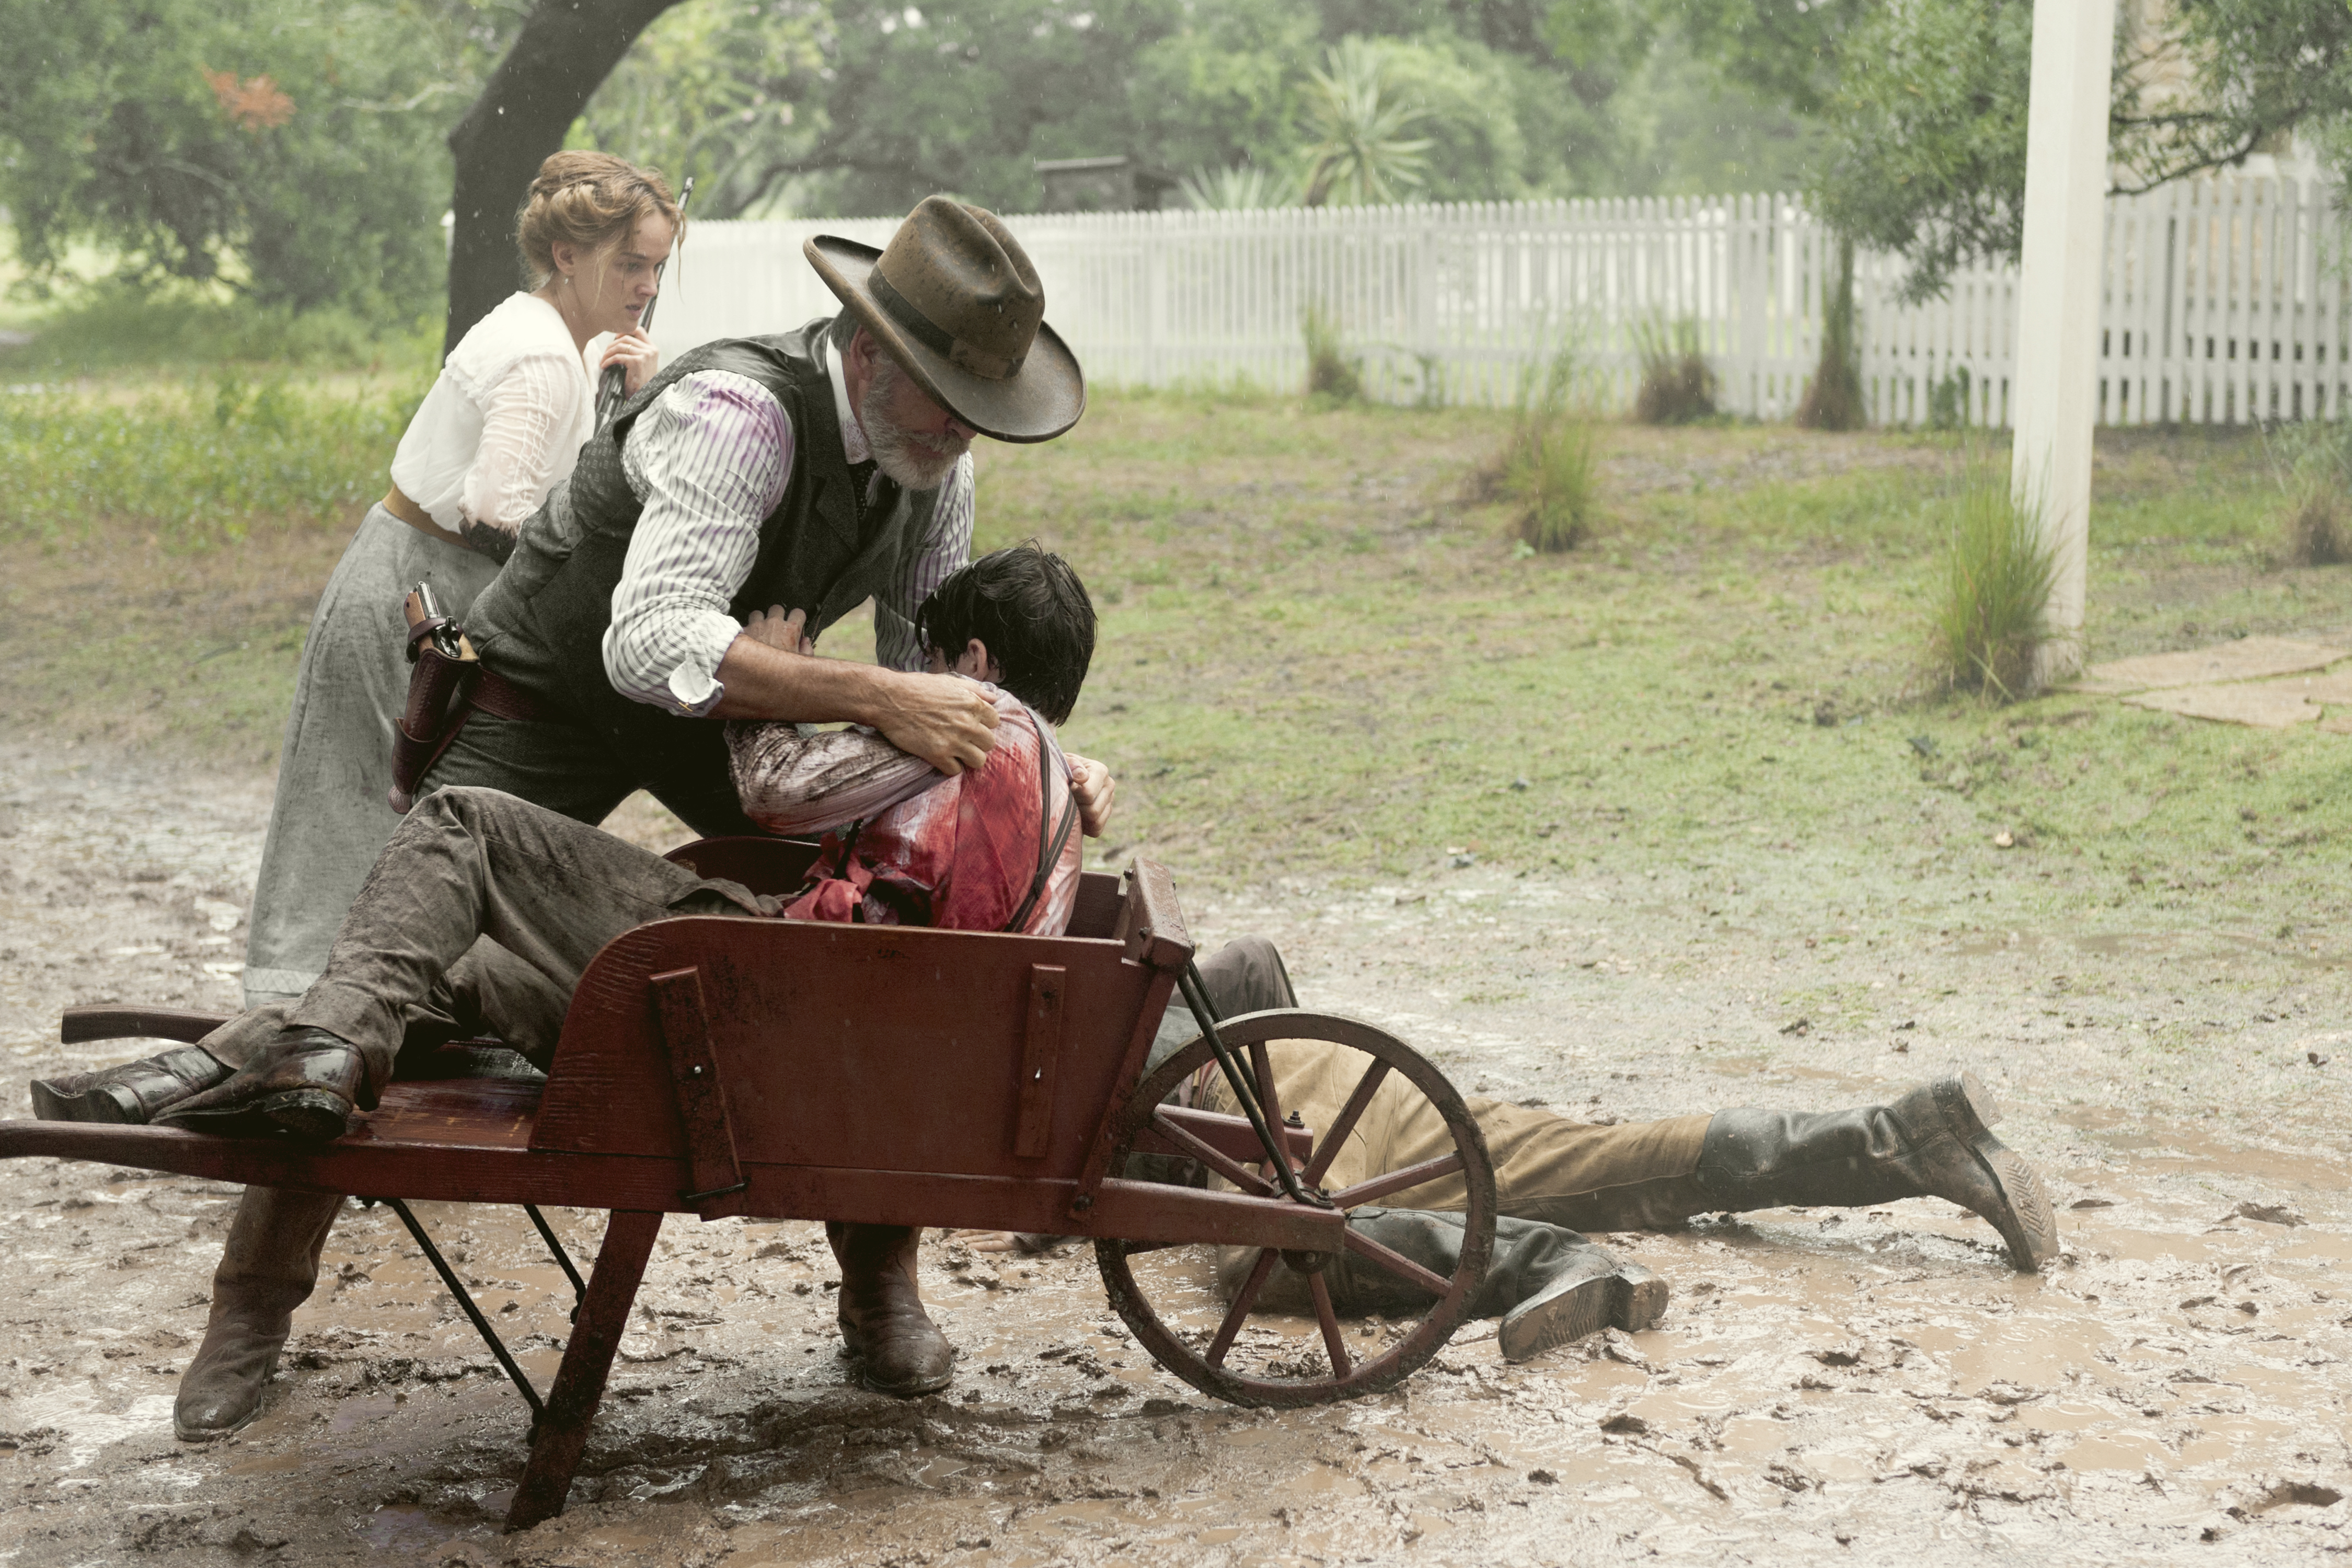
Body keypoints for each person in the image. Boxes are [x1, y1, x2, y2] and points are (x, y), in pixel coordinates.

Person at [33, 545, 1098, 1425]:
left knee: (463, 826)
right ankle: (268, 1058)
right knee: (418, 978)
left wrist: (770, 669)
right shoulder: (1058, 792)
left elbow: (772, 790)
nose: (914, 678)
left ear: (973, 657)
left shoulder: (971, 725)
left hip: (739, 1022)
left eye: (928, 658)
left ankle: (255, 1252)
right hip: (812, 1052)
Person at [975, 936, 2061, 1364]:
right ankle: (1904, 1137)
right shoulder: (1147, 958)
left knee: (1251, 1258)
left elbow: (1099, 1164)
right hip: (1354, 1082)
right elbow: (1253, 969)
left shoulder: (1085, 1027)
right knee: (1619, 1157)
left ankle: (1540, 1260)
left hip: (1287, 1129)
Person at [240, 151, 679, 1008]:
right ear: (566, 255)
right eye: (631, 263)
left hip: (413, 575)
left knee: (381, 806)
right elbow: (492, 509)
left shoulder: (547, 335)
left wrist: (625, 401)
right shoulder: (545, 358)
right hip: (418, 588)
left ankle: (354, 1008)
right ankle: (312, 1017)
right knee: (369, 807)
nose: (646, 286)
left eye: (657, 266)